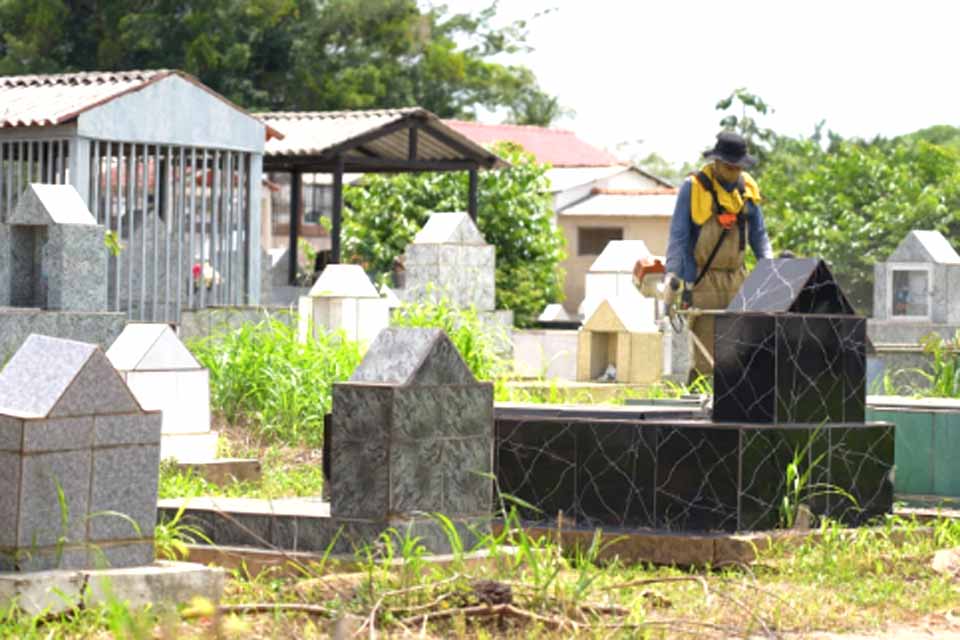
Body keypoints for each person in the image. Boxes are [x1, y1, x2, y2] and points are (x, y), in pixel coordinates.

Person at [664, 131, 773, 383]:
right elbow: (679, 237)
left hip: (737, 279)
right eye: (729, 166)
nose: (734, 172)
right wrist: (675, 276)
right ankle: (701, 402)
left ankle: (735, 406)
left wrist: (770, 268)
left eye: (738, 167)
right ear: (716, 162)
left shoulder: (747, 190)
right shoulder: (693, 188)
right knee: (706, 355)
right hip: (703, 279)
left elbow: (759, 236)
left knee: (738, 352)